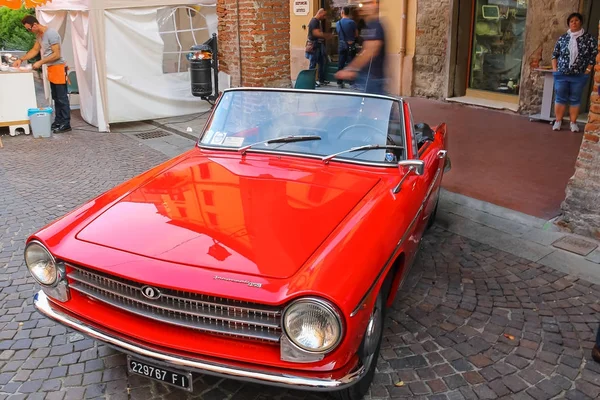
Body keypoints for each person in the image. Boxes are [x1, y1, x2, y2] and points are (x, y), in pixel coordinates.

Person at [13, 16, 71, 133]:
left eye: (29, 29)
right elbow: (35, 50)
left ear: (35, 25)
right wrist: (22, 59)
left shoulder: (51, 34)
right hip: (51, 69)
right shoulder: (39, 36)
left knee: (62, 98)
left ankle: (66, 123)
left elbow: (57, 54)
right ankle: (58, 121)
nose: (29, 31)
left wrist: (40, 62)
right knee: (56, 97)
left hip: (59, 68)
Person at [551, 12, 597, 132]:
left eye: (576, 20)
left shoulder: (589, 39)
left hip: (579, 75)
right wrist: (555, 70)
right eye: (571, 21)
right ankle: (558, 121)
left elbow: (593, 56)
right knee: (560, 97)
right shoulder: (563, 38)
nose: (574, 23)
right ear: (568, 24)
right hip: (561, 74)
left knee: (575, 99)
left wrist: (587, 70)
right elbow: (554, 55)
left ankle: (573, 123)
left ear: (581, 22)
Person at [334, 0, 386, 95]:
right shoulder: (368, 24)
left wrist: (351, 68)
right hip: (367, 76)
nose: (364, 7)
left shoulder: (375, 25)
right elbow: (365, 49)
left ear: (375, 5)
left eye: (368, 3)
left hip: (373, 78)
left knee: (373, 106)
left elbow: (371, 50)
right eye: (363, 4)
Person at [307, 8, 332, 87]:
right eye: (324, 15)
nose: (324, 17)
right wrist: (327, 35)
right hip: (314, 46)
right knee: (313, 64)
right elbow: (316, 33)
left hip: (319, 45)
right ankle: (311, 81)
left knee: (321, 62)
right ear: (320, 13)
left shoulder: (318, 21)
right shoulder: (314, 21)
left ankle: (321, 79)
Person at [336, 6, 358, 89]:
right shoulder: (352, 22)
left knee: (340, 63)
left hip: (341, 45)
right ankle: (352, 83)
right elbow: (356, 34)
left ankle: (339, 82)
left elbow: (338, 33)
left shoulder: (338, 23)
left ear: (342, 13)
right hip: (350, 45)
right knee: (351, 64)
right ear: (349, 13)